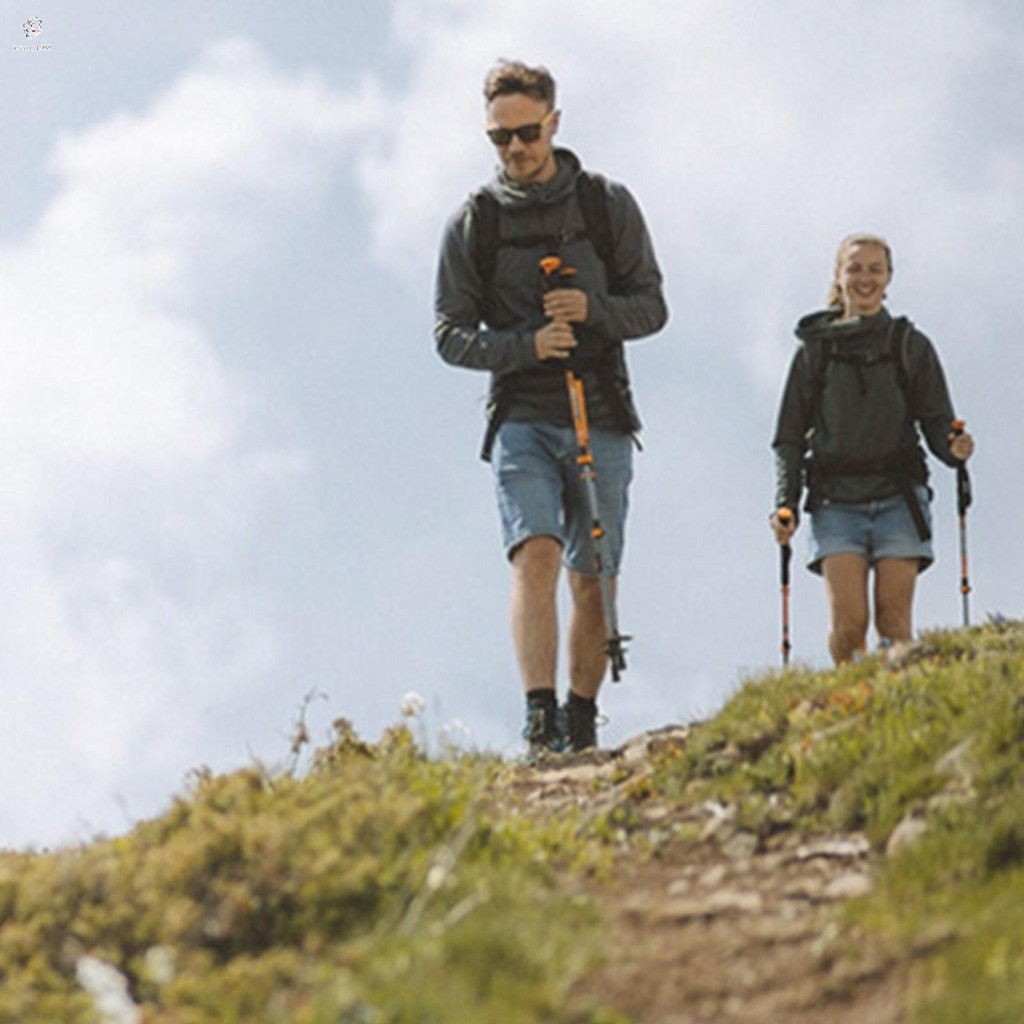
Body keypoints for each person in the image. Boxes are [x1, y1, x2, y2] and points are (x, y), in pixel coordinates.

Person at [434, 60, 667, 756]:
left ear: (554, 123)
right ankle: (539, 717)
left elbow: (653, 307)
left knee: (592, 573)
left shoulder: (606, 204)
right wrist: (524, 344)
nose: (514, 149)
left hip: (603, 414)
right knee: (534, 554)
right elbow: (449, 335)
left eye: (526, 133)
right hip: (522, 418)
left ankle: (581, 717)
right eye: (499, 138)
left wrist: (592, 310)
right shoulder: (473, 224)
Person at [770, 233, 974, 663]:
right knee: (849, 626)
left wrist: (952, 448)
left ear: (888, 278)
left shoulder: (908, 345)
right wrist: (784, 504)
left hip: (899, 498)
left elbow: (936, 420)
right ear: (839, 276)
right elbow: (789, 437)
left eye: (874, 269)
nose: (865, 278)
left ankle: (895, 713)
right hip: (834, 501)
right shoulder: (814, 351)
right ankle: (852, 705)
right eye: (855, 268)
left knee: (894, 622)